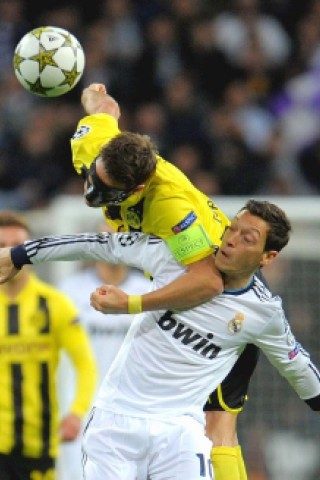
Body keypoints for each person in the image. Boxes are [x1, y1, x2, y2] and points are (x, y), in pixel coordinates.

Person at [1, 200, 320, 480]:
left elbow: (297, 367)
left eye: (247, 238)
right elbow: (98, 244)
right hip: (116, 422)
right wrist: (19, 254)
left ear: (268, 256)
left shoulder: (263, 313)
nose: (231, 240)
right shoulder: (175, 256)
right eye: (232, 228)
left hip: (180, 429)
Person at [69, 81, 251, 479]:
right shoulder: (96, 144)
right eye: (93, 177)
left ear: (137, 189)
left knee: (215, 429)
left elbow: (209, 283)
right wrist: (90, 90)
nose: (90, 191)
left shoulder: (169, 206)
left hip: (226, 306)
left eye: (106, 191)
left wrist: (130, 304)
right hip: (181, 298)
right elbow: (105, 107)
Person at [0, 210, 97, 480]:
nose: (8, 253)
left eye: (17, 246)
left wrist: (76, 414)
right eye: (1, 246)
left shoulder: (55, 303)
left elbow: (85, 365)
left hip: (39, 439)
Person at [56, 224, 151, 480]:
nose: (114, 245)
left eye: (122, 238)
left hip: (134, 406)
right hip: (79, 406)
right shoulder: (68, 291)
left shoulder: (148, 292)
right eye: (105, 239)